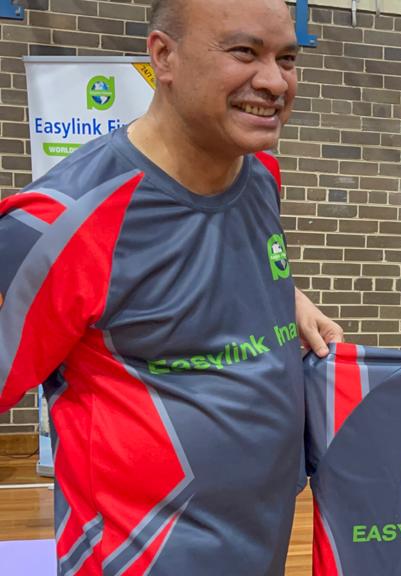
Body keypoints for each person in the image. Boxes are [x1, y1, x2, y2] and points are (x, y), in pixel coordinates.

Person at [0, 0, 341, 573]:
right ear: (163, 57)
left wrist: (289, 295)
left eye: (287, 58)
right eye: (244, 52)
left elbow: (196, 271)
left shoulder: (260, 175)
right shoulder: (59, 221)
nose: (275, 81)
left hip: (263, 545)